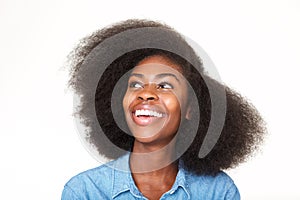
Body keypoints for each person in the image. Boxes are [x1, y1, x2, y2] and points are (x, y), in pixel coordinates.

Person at [62, 19, 265, 200]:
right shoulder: (85, 191)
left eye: (165, 85)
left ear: (190, 109)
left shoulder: (217, 192)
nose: (146, 94)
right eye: (135, 84)